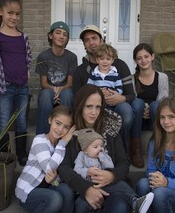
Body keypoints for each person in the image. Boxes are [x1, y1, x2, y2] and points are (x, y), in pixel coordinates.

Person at [58, 84, 153, 213]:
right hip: (82, 189)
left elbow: (123, 162)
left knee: (120, 205)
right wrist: (86, 189)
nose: (94, 112)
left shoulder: (110, 128)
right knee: (83, 206)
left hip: (112, 187)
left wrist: (112, 175)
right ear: (80, 106)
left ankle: (134, 203)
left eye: (98, 107)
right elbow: (63, 167)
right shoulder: (70, 130)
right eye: (89, 106)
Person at [0, 0, 32, 166]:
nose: (14, 17)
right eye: (10, 13)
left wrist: (27, 69)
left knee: (22, 120)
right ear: (0, 11)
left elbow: (28, 56)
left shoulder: (23, 37)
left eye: (17, 14)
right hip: (4, 86)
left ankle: (21, 153)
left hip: (22, 86)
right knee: (3, 120)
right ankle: (4, 154)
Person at [72, 24, 135, 152]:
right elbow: (77, 96)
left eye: (94, 38)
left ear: (101, 40)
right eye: (87, 40)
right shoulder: (80, 70)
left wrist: (120, 97)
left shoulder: (119, 65)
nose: (91, 42)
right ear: (84, 44)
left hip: (116, 104)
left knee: (127, 111)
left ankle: (122, 150)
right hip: (94, 107)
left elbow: (131, 94)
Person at [73, 128, 154, 213]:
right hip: (88, 185)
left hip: (104, 184)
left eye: (101, 146)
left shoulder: (104, 154)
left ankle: (135, 202)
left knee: (121, 185)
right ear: (85, 149)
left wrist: (103, 157)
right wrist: (87, 171)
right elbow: (76, 170)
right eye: (95, 147)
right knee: (81, 205)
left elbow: (111, 167)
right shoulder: (81, 156)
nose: (100, 149)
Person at [15, 105, 76, 213]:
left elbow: (56, 179)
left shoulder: (62, 148)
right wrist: (62, 143)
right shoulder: (40, 140)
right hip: (28, 191)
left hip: (46, 188)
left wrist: (55, 180)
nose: (60, 129)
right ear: (49, 120)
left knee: (67, 190)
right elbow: (49, 168)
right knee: (55, 198)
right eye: (58, 123)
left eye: (66, 127)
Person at [130, 43, 169, 168]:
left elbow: (164, 99)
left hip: (155, 118)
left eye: (146, 56)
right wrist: (143, 110)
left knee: (156, 105)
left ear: (152, 57)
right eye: (139, 58)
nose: (143, 60)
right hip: (138, 120)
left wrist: (149, 108)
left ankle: (160, 147)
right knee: (137, 103)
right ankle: (136, 150)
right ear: (135, 61)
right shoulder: (131, 79)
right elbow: (131, 98)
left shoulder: (162, 77)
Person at [35, 21, 78, 135]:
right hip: (49, 90)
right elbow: (43, 83)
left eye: (65, 34)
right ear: (50, 36)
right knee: (45, 95)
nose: (61, 36)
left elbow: (70, 83)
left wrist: (60, 90)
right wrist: (54, 90)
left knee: (68, 94)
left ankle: (67, 134)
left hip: (65, 90)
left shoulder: (71, 57)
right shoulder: (43, 56)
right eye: (58, 33)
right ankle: (42, 136)